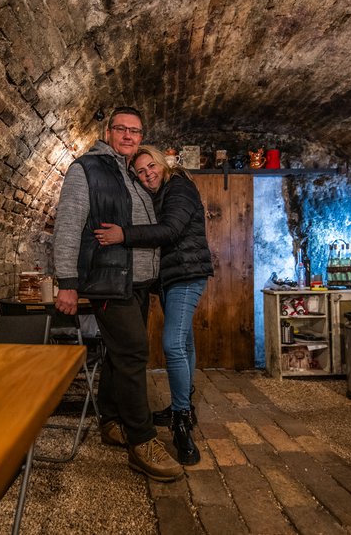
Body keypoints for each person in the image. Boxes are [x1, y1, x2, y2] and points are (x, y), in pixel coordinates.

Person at [53, 108, 183, 482]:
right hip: (109, 281)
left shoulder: (131, 173)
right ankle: (142, 441)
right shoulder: (87, 169)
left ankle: (111, 421)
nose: (128, 135)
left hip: (137, 283)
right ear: (108, 131)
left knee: (117, 353)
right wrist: (67, 282)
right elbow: (68, 226)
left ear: (141, 137)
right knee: (134, 352)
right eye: (121, 129)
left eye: (135, 131)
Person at [94, 145, 213, 465]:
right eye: (141, 172)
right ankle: (183, 405)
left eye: (151, 166)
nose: (148, 174)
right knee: (184, 342)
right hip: (174, 276)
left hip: (186, 274)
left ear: (162, 163)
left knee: (172, 344)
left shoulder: (178, 186)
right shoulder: (159, 193)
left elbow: (170, 230)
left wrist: (123, 235)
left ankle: (181, 421)